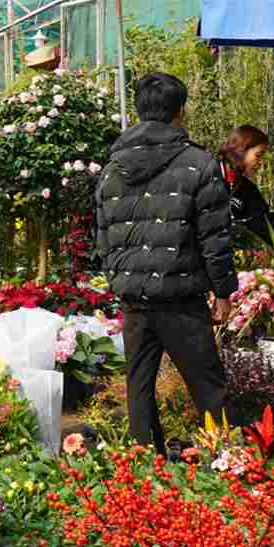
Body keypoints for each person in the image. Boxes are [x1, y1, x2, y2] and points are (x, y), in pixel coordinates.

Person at [94, 72, 237, 456]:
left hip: (134, 299)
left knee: (139, 385)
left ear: (140, 110)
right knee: (208, 386)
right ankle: (229, 464)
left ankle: (146, 469)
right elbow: (215, 236)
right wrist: (224, 291)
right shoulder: (199, 164)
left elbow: (104, 234)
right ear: (179, 110)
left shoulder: (111, 169)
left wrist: (119, 280)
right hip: (181, 297)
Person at [215, 125, 274, 248]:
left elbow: (266, 222)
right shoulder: (207, 176)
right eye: (258, 155)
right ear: (241, 150)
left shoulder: (247, 188)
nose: (260, 162)